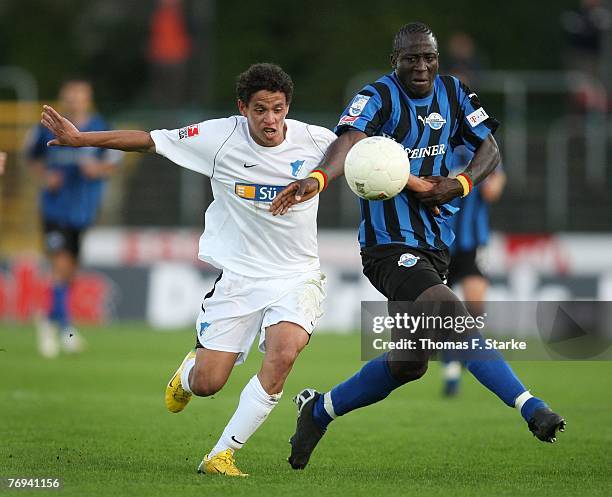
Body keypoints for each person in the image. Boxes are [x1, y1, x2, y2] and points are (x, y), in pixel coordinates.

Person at [271, 22, 566, 470]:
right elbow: (348, 141)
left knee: (408, 363)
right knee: (449, 311)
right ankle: (531, 407)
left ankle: (318, 410)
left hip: (435, 248)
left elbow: (490, 148)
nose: (422, 66)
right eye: (412, 57)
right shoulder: (378, 97)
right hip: (387, 247)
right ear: (396, 60)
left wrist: (462, 183)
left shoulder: (454, 92)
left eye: (429, 57)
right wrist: (317, 178)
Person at [40, 63, 337, 477]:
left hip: (297, 275)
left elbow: (368, 159)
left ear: (289, 107)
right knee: (208, 383)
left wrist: (437, 183)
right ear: (242, 108)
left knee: (284, 353)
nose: (270, 119)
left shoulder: (317, 140)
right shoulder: (218, 137)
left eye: (278, 109)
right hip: (239, 276)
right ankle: (188, 373)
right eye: (260, 110)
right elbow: (147, 141)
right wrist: (80, 139)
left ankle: (222, 453)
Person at [26, 79, 121, 358]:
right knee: (60, 263)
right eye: (70, 97)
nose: (74, 102)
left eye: (79, 97)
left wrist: (99, 170)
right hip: (54, 209)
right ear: (63, 99)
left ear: (87, 99)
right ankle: (64, 329)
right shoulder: (47, 126)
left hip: (83, 210)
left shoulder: (99, 126)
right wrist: (44, 177)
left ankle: (48, 319)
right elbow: (31, 158)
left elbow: (113, 162)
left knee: (69, 271)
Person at [441, 146, 506, 397]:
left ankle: (460, 357)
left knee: (475, 307)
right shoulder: (438, 147)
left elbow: (493, 191)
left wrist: (494, 178)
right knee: (441, 311)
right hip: (442, 243)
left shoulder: (482, 151)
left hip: (473, 244)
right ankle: (451, 369)